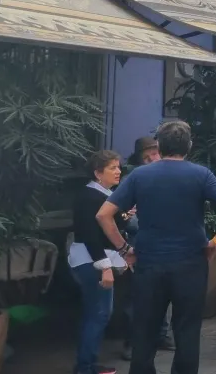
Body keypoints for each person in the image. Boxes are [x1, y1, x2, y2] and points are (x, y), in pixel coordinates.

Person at [97, 121, 216, 374]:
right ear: (189, 146)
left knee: (145, 329)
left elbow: (104, 215)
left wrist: (123, 249)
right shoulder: (201, 174)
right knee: (187, 329)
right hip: (191, 261)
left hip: (149, 262)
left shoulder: (139, 175)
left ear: (159, 146)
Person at [70, 150, 128, 374]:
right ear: (97, 173)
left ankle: (87, 363)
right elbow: (90, 235)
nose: (118, 171)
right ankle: (85, 366)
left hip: (92, 259)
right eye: (112, 168)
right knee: (98, 314)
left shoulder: (104, 195)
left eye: (118, 167)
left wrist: (124, 217)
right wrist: (105, 267)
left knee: (97, 313)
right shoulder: (89, 197)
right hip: (90, 260)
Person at [120, 137, 173, 361]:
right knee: (137, 296)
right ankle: (133, 342)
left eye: (156, 153)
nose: (153, 158)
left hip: (163, 242)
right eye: (148, 154)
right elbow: (124, 217)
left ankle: (161, 334)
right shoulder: (132, 179)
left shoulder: (168, 175)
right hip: (138, 242)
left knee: (164, 290)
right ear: (140, 157)